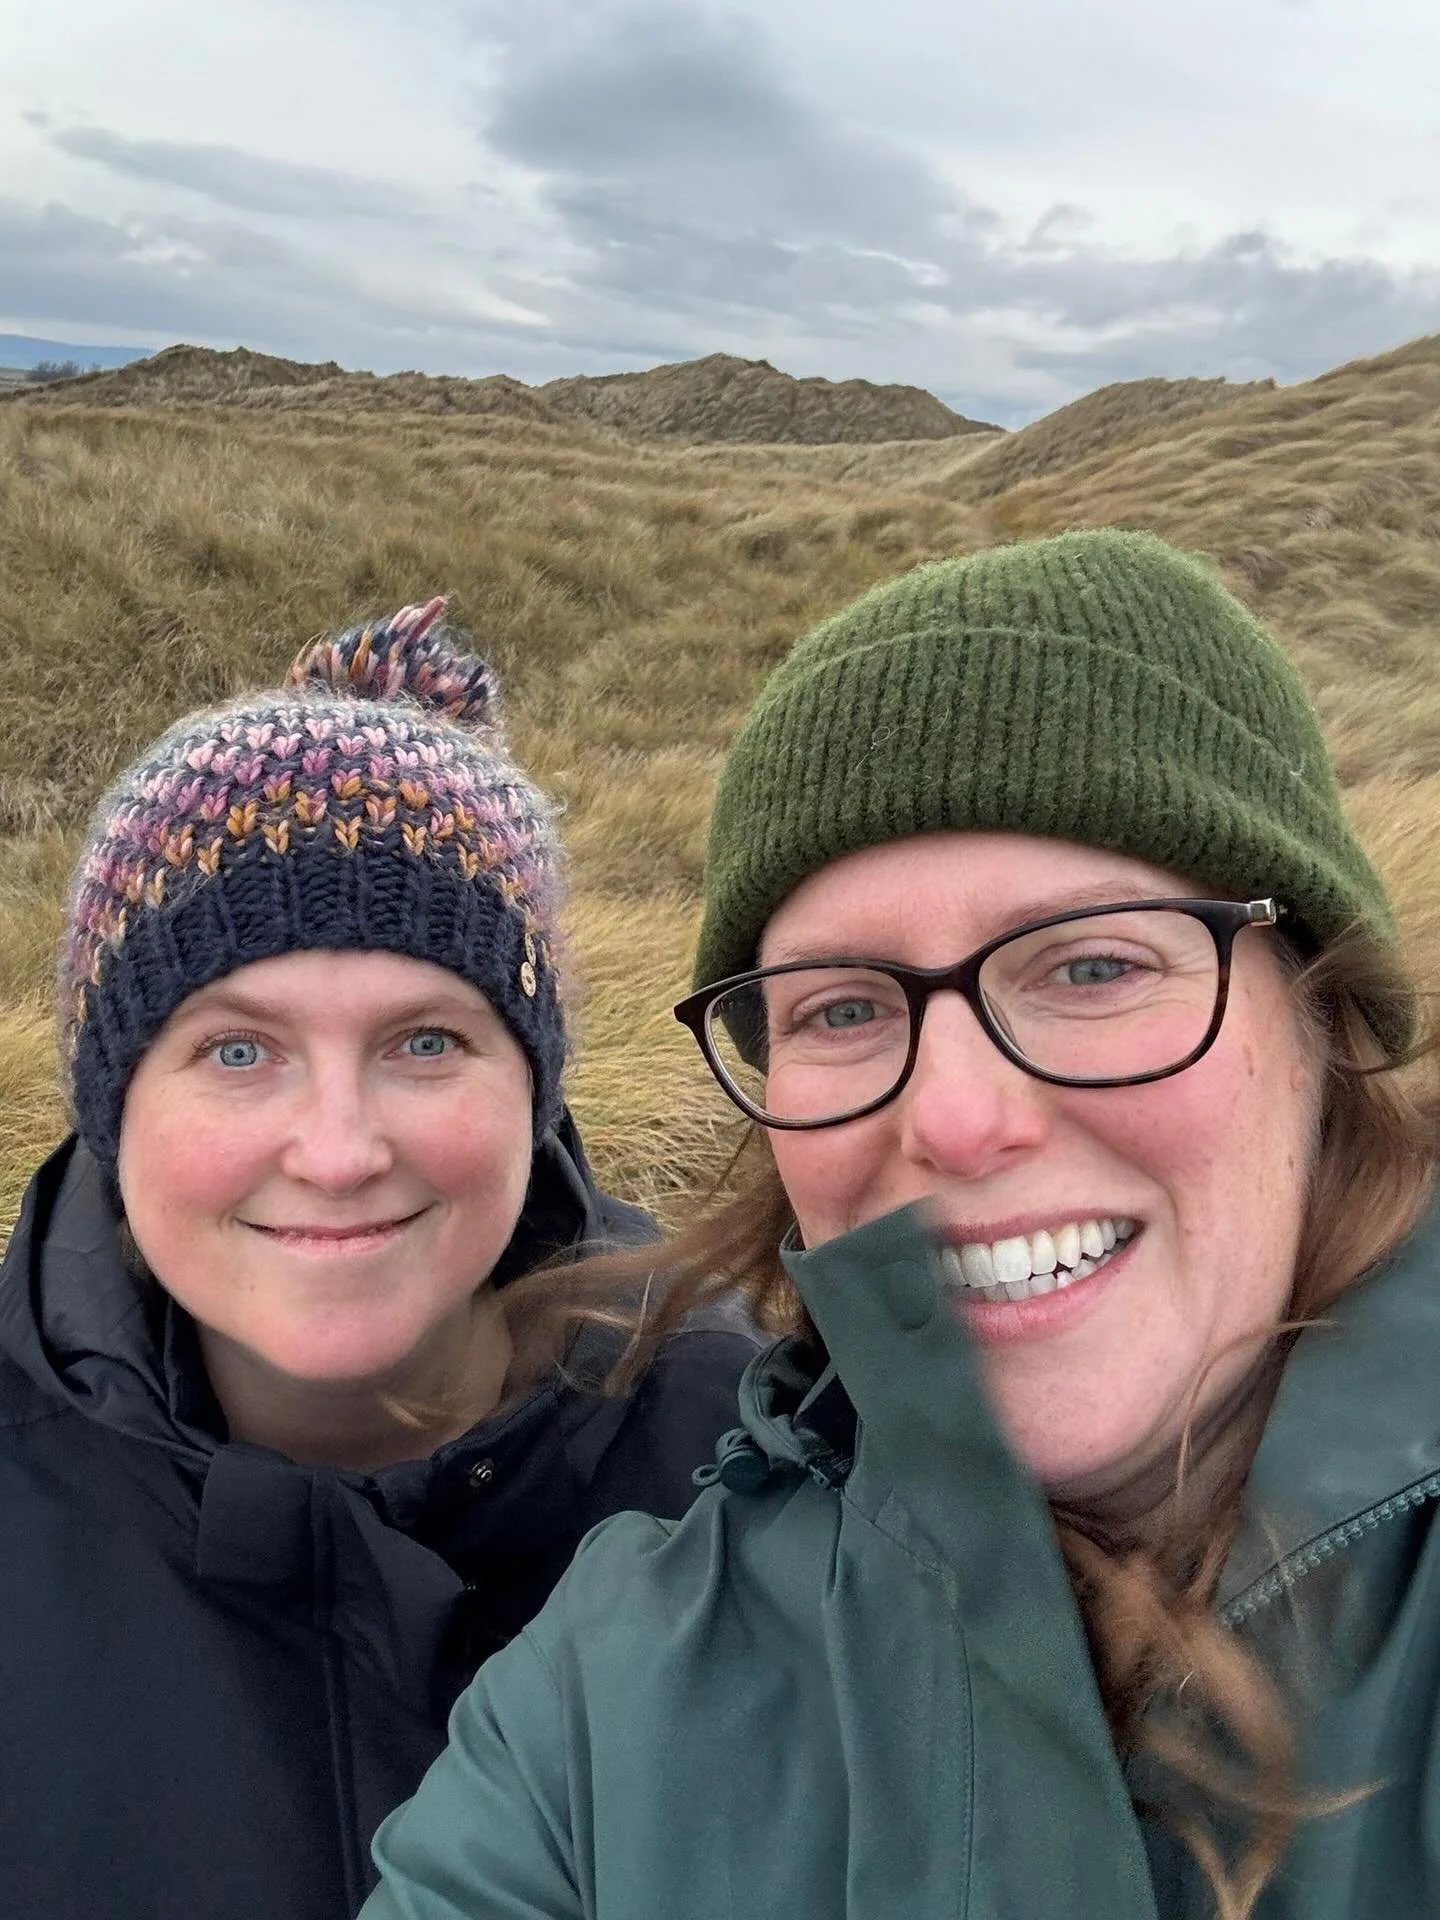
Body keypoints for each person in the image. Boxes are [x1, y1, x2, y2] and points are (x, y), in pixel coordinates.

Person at [360, 533, 1440, 1920]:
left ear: (1318, 1009)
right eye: (845, 1008)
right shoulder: (592, 1712)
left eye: (1094, 965)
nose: (957, 1118)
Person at [0, 599, 757, 1920]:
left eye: (426, 1043)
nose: (338, 1150)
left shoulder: (757, 1463)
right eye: (239, 1050)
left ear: (533, 1092)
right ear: (116, 1109)